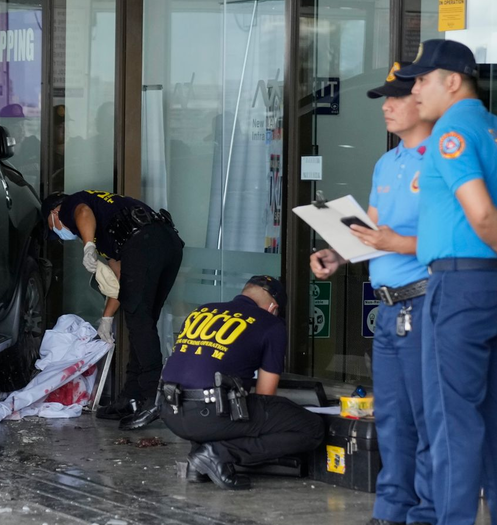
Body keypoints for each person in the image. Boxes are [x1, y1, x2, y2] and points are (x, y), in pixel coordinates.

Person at [395, 39, 497, 525]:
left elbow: (480, 210)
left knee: (452, 421)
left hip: (460, 287)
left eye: (421, 80)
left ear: (453, 81)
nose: (414, 89)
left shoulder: (452, 132)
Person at [314, 62, 436, 525]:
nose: (386, 106)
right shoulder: (388, 165)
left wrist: (395, 242)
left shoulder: (442, 160)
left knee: (429, 418)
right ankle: (391, 511)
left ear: (422, 100)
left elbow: (458, 237)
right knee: (394, 418)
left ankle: (426, 518)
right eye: (383, 98)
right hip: (388, 309)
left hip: (427, 301)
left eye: (396, 97)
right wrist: (339, 253)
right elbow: (374, 233)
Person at [157, 275, 323, 491]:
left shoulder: (202, 311)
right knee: (312, 428)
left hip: (170, 411)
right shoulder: (271, 324)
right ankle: (219, 454)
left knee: (232, 406)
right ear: (274, 307)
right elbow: (265, 394)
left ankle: (199, 461)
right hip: (210, 415)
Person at [41, 190, 183, 428]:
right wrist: (106, 318)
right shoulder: (108, 228)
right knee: (142, 323)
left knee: (139, 322)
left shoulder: (72, 204)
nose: (59, 232)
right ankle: (132, 396)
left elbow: (82, 212)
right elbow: (119, 278)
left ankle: (153, 397)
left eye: (52, 226)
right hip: (167, 245)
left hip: (146, 243)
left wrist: (88, 246)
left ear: (55, 212)